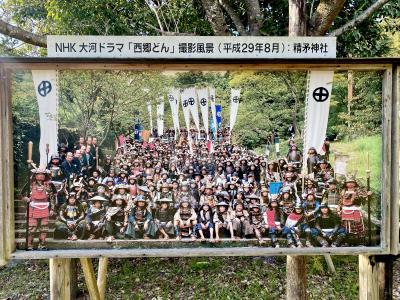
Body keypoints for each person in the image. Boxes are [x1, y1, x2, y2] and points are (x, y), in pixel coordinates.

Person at [25, 168, 55, 250]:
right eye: (39, 174)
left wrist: (52, 209)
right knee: (31, 229)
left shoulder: (49, 185)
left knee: (44, 228)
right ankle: (29, 245)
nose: (41, 176)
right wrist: (25, 198)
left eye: (43, 174)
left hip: (45, 208)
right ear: (35, 175)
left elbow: (52, 198)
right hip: (33, 208)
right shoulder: (30, 185)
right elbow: (21, 195)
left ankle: (42, 245)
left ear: (45, 176)